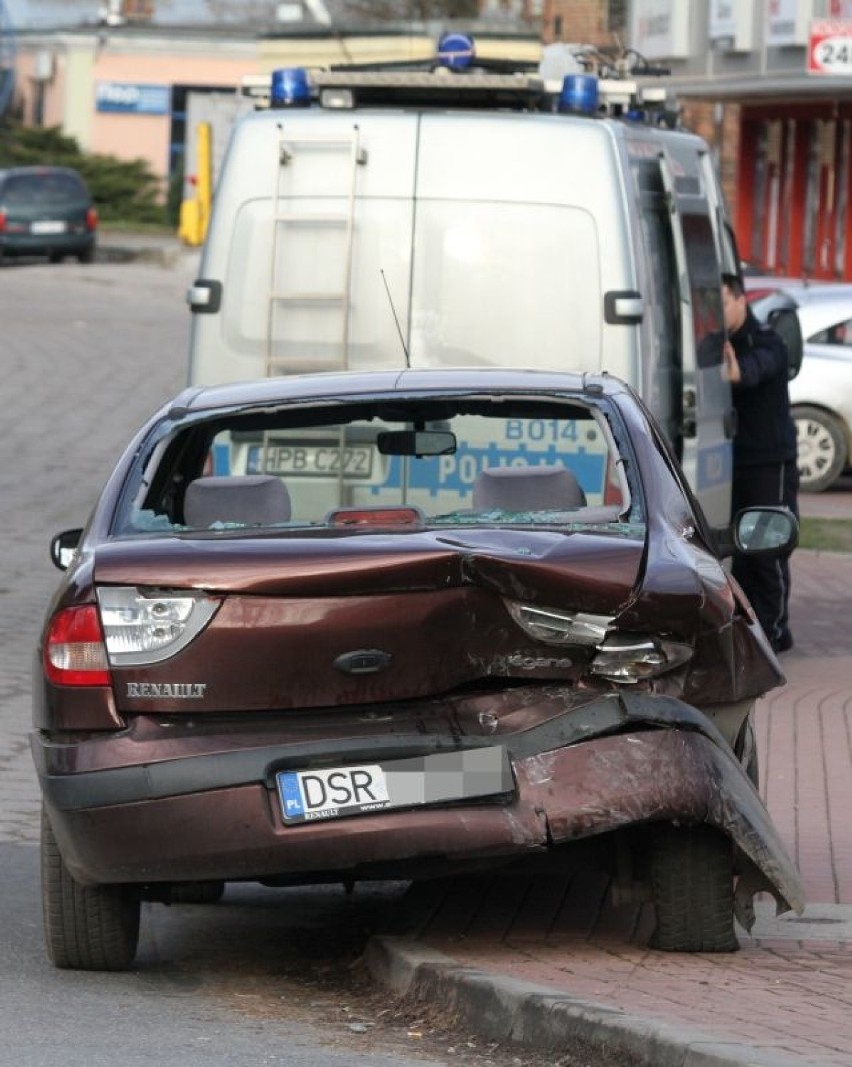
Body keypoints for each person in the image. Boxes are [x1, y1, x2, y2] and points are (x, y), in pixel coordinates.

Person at [721, 273, 798, 653]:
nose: (716, 313)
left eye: (721, 303)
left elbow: (745, 372)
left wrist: (727, 363)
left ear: (740, 300)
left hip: (769, 463)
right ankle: (749, 631)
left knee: (768, 547)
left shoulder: (767, 341)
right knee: (738, 550)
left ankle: (775, 634)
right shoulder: (719, 342)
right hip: (729, 461)